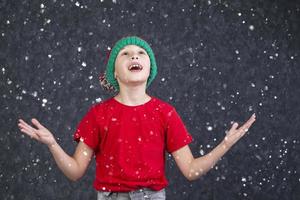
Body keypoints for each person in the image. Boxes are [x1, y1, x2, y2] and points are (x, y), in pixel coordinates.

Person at [17, 36, 256, 200]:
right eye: (125, 53)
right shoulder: (98, 115)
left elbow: (190, 170)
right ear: (114, 72)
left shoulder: (165, 113)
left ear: (150, 67)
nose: (135, 56)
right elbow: (75, 171)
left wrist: (225, 144)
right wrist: (53, 145)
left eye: (141, 52)